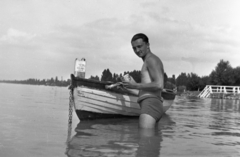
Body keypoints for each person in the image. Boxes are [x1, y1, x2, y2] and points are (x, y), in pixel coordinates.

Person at [122, 33, 164, 129]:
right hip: (152, 104)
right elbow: (145, 92)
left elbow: (159, 85)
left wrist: (135, 85)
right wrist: (127, 87)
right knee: (151, 142)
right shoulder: (149, 61)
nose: (137, 50)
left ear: (148, 45)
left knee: (144, 141)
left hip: (150, 105)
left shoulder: (151, 60)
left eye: (139, 46)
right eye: (134, 48)